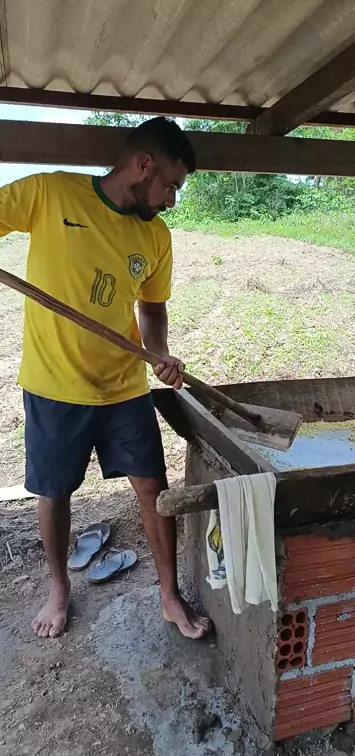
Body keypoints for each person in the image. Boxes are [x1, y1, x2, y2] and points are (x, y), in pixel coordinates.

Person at [0, 117, 210, 640]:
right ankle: (58, 591)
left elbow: (152, 308)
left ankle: (169, 596)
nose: (172, 200)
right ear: (143, 166)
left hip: (123, 388)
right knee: (54, 491)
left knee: (152, 486)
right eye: (170, 186)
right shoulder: (51, 194)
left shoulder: (155, 236)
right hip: (54, 385)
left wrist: (158, 353)